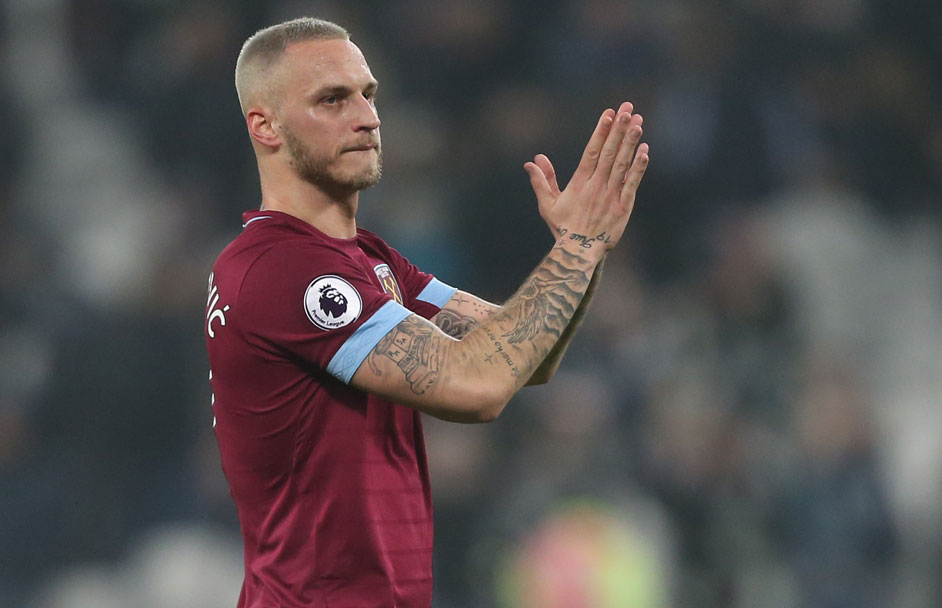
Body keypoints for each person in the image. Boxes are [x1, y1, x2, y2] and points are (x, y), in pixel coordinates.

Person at [204, 17, 648, 608]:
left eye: (369, 94)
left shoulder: (370, 260)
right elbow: (476, 384)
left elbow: (523, 359)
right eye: (332, 99)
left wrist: (582, 248)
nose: (367, 117)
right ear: (265, 126)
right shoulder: (277, 269)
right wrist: (577, 249)